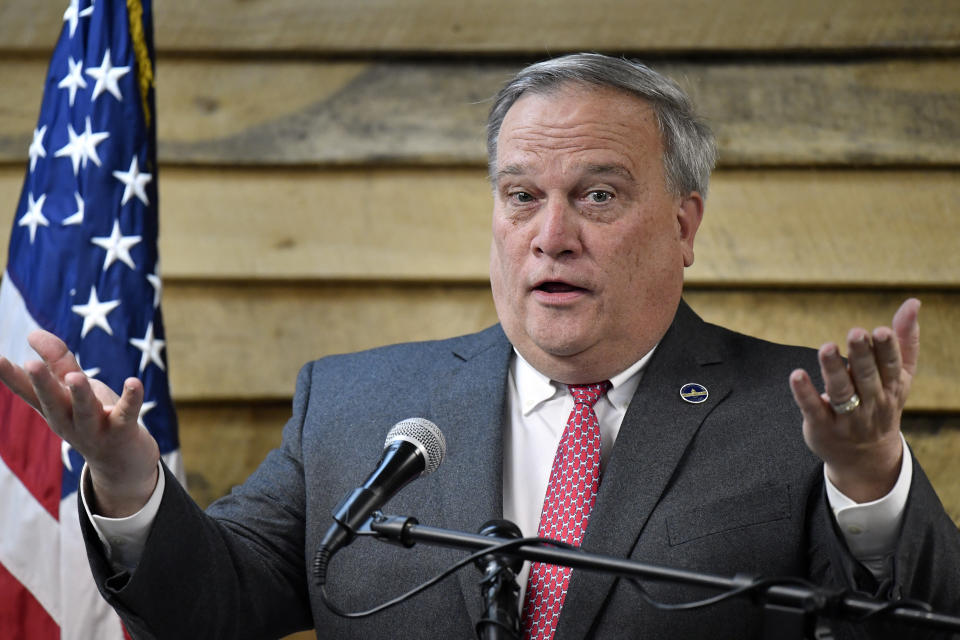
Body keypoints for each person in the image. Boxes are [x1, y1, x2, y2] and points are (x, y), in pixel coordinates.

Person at [1, 53, 957, 639]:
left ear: (683, 223)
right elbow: (212, 611)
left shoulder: (796, 421)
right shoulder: (356, 406)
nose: (550, 236)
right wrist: (128, 481)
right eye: (520, 196)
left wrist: (871, 481)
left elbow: (916, 626)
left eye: (597, 195)